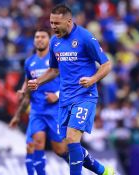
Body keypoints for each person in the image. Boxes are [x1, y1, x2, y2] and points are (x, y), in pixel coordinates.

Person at [28, 4, 114, 175]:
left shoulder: (85, 37)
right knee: (68, 145)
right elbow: (54, 70)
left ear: (68, 21)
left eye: (56, 23)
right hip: (65, 98)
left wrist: (93, 79)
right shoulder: (54, 42)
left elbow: (106, 64)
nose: (53, 27)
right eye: (51, 23)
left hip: (85, 96)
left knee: (73, 137)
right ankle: (103, 171)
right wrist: (39, 81)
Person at [9, 29, 66, 175]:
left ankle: (81, 167)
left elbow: (71, 81)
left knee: (60, 150)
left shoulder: (57, 59)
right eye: (37, 37)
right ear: (34, 40)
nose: (39, 39)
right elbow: (28, 85)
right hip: (37, 111)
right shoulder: (29, 62)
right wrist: (17, 114)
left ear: (49, 40)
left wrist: (58, 95)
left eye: (43, 37)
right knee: (36, 143)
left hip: (55, 111)